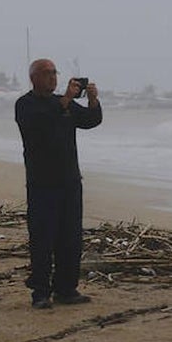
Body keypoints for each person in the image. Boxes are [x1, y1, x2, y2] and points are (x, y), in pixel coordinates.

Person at [15, 58, 102, 309]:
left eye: (55, 73)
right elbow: (41, 123)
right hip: (42, 184)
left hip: (70, 181)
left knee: (70, 238)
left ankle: (66, 288)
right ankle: (40, 292)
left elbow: (89, 120)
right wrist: (65, 100)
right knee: (42, 239)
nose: (53, 77)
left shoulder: (62, 104)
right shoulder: (26, 105)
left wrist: (93, 100)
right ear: (34, 78)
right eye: (47, 73)